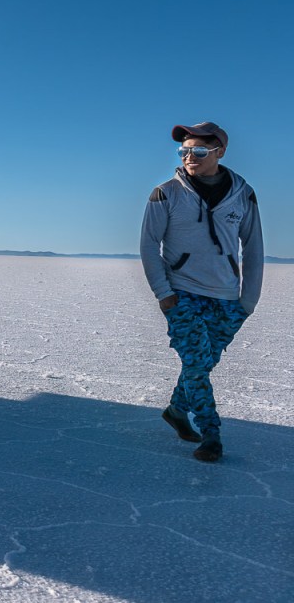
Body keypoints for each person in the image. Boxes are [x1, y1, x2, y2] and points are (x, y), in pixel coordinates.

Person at [140, 122, 263, 462]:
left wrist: (248, 301)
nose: (189, 156)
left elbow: (253, 248)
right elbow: (149, 245)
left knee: (203, 364)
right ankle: (211, 434)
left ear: (219, 151)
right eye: (184, 151)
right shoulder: (166, 192)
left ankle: (176, 411)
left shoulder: (244, 194)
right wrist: (163, 293)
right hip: (181, 294)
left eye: (198, 150)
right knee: (196, 362)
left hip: (227, 298)